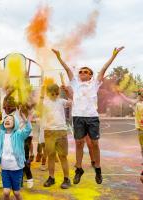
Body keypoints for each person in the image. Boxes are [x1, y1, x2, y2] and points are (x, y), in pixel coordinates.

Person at [52, 46, 124, 184]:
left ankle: (98, 168)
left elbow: (103, 69)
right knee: (79, 143)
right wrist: (59, 57)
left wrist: (113, 55)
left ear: (91, 75)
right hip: (78, 117)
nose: (82, 73)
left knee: (95, 143)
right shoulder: (76, 84)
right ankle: (79, 169)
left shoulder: (94, 84)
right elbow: (67, 69)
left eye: (86, 71)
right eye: (80, 71)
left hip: (92, 117)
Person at [0, 113, 32, 200]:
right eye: (5, 119)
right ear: (3, 123)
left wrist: (25, 119)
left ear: (15, 123)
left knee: (16, 193)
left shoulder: (19, 134)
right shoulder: (0, 135)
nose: (7, 120)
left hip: (17, 169)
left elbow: (28, 129)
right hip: (5, 169)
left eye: (10, 119)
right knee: (6, 192)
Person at [38, 83, 72, 189]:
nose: (54, 95)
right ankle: (51, 178)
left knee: (63, 156)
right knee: (51, 156)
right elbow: (39, 109)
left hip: (61, 131)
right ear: (48, 93)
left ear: (58, 93)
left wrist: (67, 92)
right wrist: (42, 94)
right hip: (49, 132)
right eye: (52, 93)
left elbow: (71, 103)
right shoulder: (44, 102)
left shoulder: (61, 101)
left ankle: (67, 179)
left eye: (56, 93)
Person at [119, 89, 143, 160]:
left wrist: (120, 93)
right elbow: (127, 100)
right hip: (140, 129)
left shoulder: (137, 104)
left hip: (141, 129)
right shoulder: (137, 104)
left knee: (142, 147)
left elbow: (126, 99)